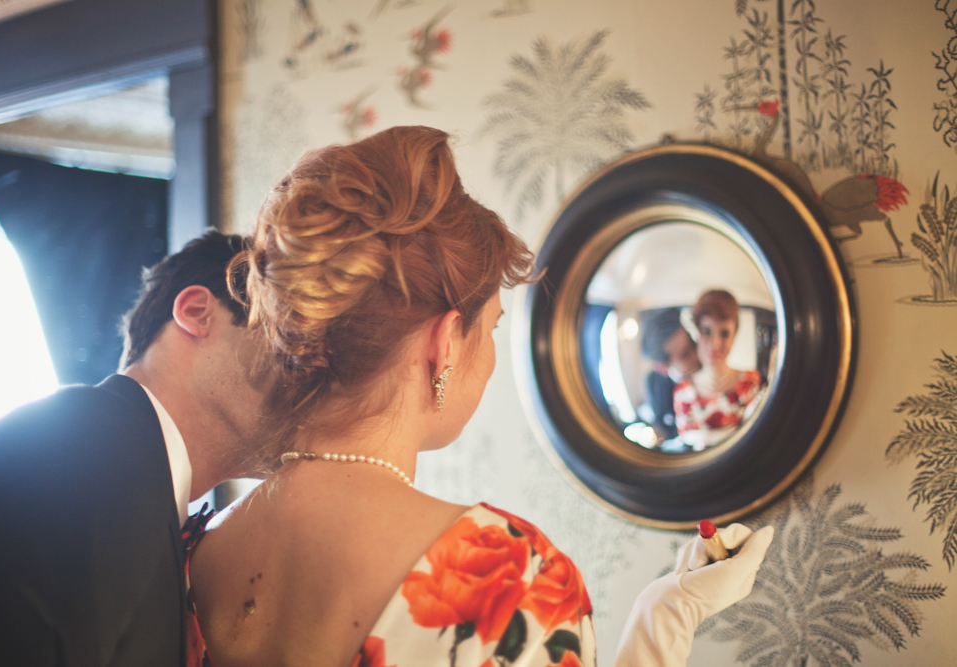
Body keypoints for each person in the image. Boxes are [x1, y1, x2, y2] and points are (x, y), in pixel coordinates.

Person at [185, 127, 773, 667]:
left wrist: (664, 609)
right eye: (490, 328)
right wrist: (669, 622)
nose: (489, 358)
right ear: (445, 343)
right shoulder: (509, 580)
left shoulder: (193, 550)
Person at [0, 231, 278, 666]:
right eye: (289, 334)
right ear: (197, 312)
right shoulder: (80, 442)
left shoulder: (130, 471)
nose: (313, 367)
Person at [673, 289, 763, 451]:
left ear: (734, 336)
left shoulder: (749, 381)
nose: (715, 344)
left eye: (725, 333)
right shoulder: (683, 392)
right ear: (697, 332)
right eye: (707, 331)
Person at [639, 308, 701, 441]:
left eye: (692, 342)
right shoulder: (654, 382)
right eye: (685, 355)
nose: (696, 353)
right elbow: (661, 426)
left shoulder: (709, 366)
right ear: (663, 367)